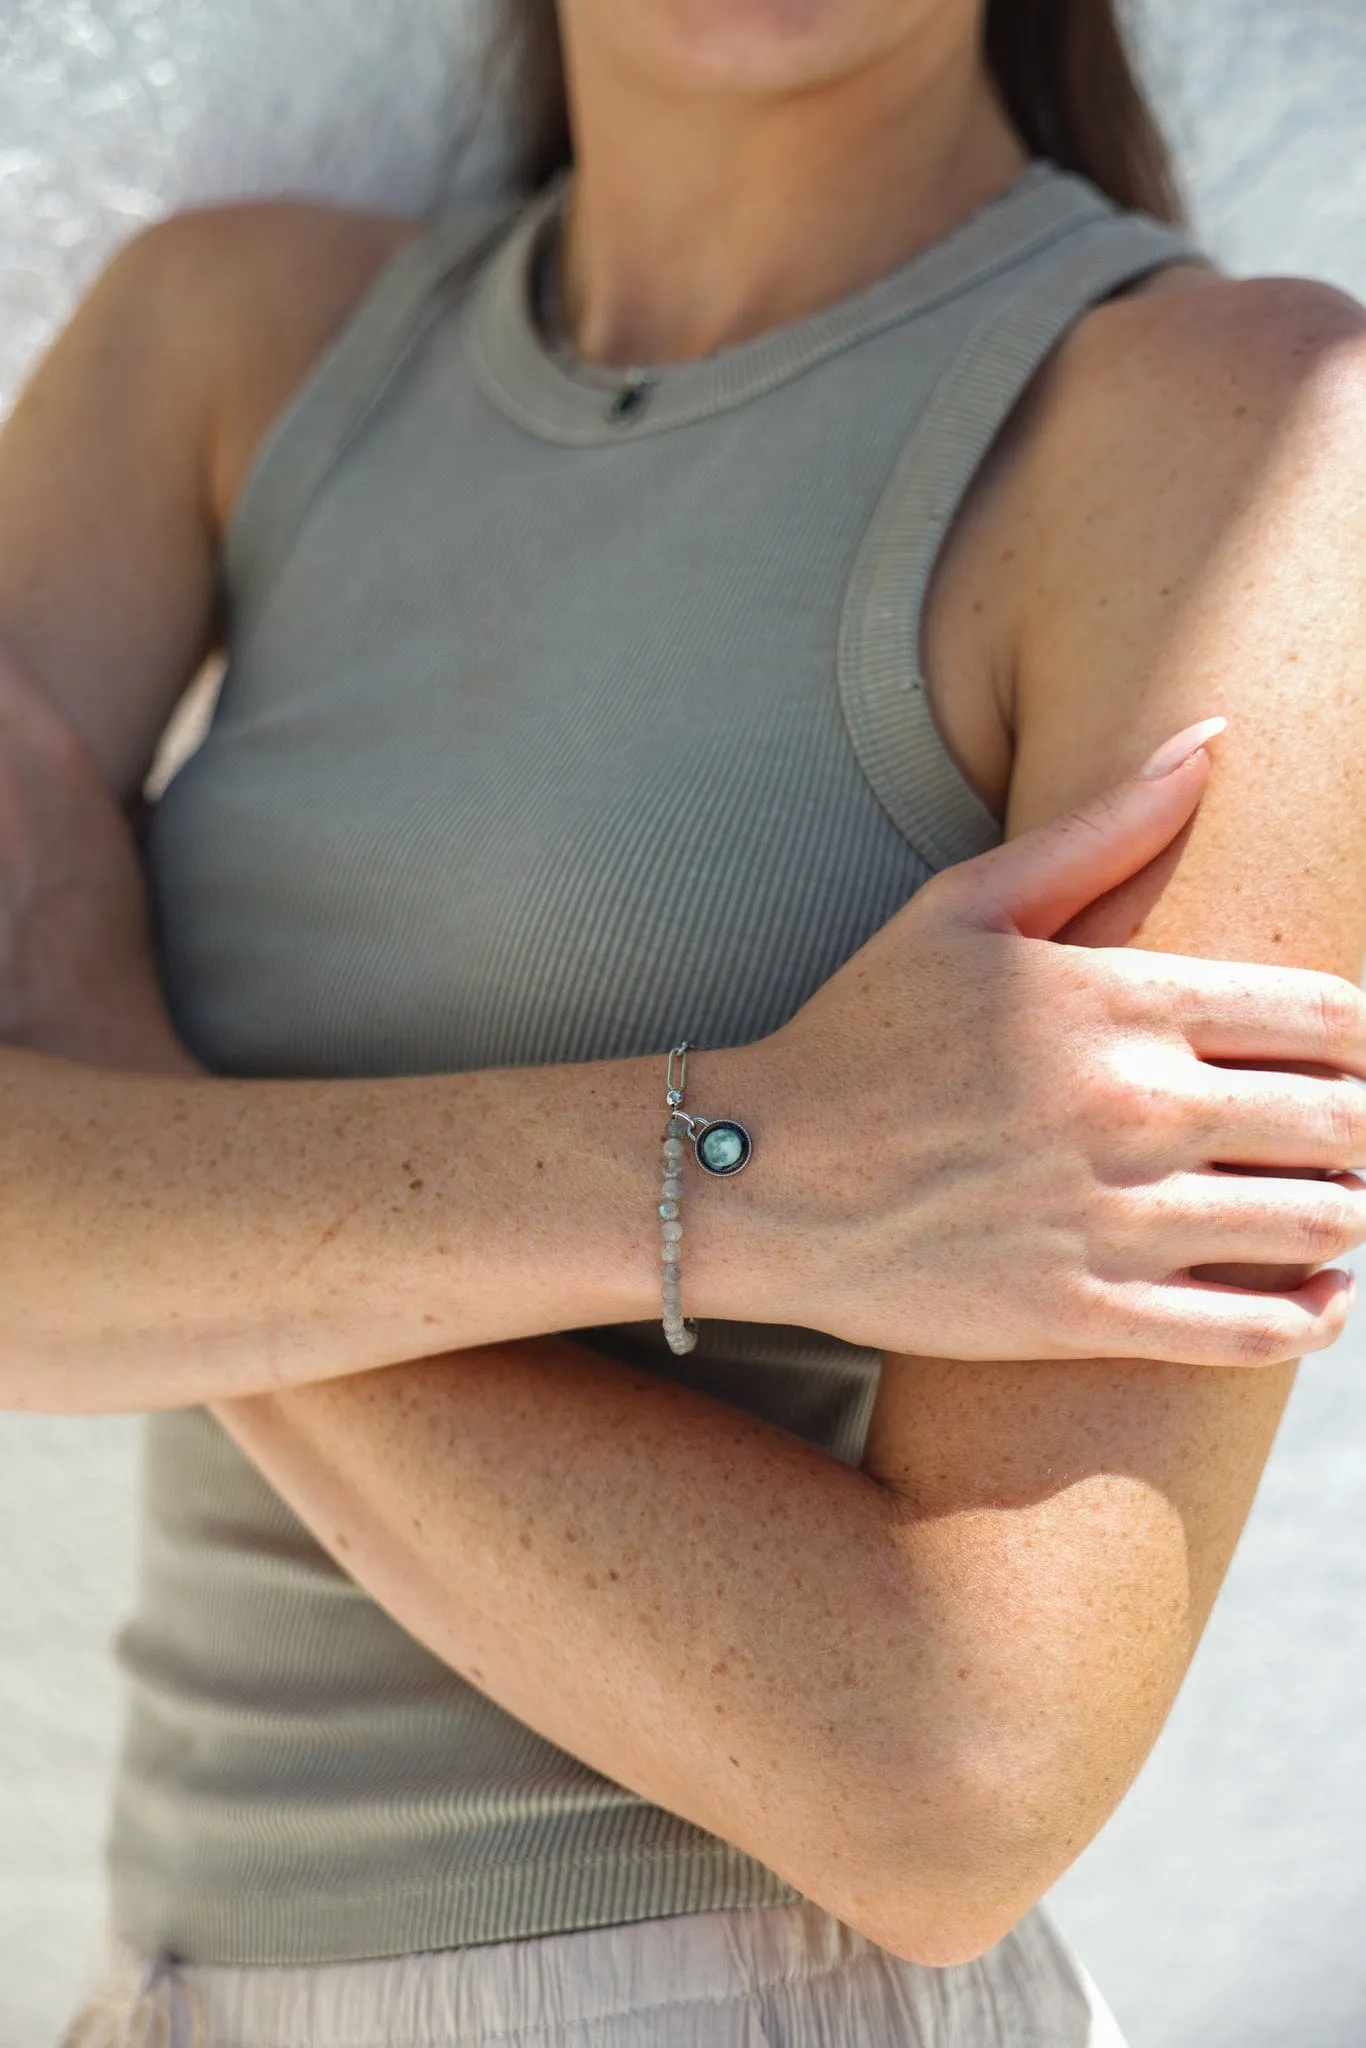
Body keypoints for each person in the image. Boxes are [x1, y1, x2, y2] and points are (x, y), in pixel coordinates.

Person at [2, 0, 1365, 2040]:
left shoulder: (1219, 428)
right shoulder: (219, 344)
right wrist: (745, 1160)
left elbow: (941, 1785)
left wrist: (124, 1105)